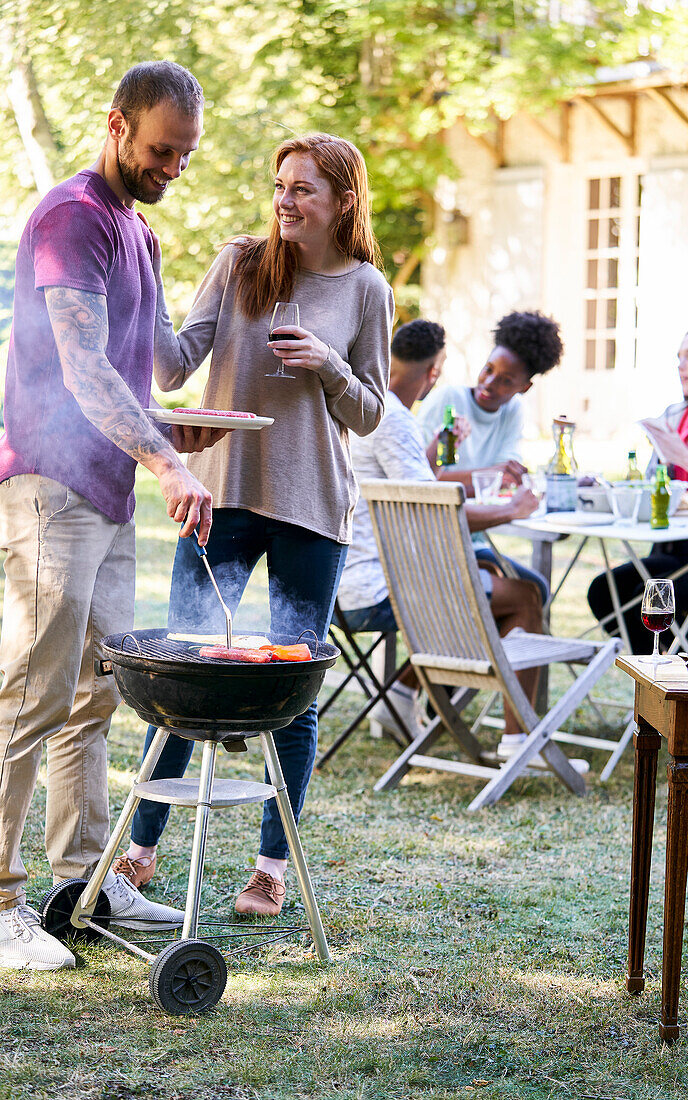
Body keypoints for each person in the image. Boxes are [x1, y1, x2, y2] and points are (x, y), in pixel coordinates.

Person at [113, 133, 394, 918]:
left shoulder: (365, 288)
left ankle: (270, 869)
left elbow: (368, 414)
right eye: (279, 185)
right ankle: (139, 851)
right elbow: (170, 366)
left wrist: (328, 366)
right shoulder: (241, 261)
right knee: (181, 677)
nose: (284, 200)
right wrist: (146, 278)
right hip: (222, 494)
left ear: (343, 200)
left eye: (303, 188)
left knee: (292, 694)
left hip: (310, 508)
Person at [0, 62, 227, 971]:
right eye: (162, 149)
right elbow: (87, 368)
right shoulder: (70, 219)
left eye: (187, 155)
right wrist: (168, 460)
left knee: (98, 697)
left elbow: (162, 363)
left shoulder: (140, 233)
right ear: (117, 125)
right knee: (30, 696)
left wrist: (232, 281)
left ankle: (83, 883)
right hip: (51, 486)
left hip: (110, 490)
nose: (174, 167)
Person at [337, 318, 547, 756]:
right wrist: (512, 508)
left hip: (338, 584)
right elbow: (430, 516)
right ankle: (517, 742)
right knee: (525, 597)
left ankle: (404, 691)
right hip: (377, 589)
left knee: (495, 578)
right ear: (433, 372)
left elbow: (412, 487)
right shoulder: (393, 420)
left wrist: (433, 449)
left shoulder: (362, 405)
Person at [588, 326, 688, 653]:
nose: (682, 365)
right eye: (679, 357)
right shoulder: (673, 415)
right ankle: (662, 671)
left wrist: (687, 459)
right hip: (675, 545)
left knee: (658, 595)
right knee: (605, 590)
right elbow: (656, 481)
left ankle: (677, 673)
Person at [417, 310, 564, 493]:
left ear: (524, 388)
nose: (489, 383)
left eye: (506, 381)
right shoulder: (447, 398)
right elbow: (417, 478)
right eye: (488, 369)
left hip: (483, 510)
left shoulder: (513, 410)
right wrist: (491, 476)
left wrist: (495, 478)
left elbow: (506, 478)